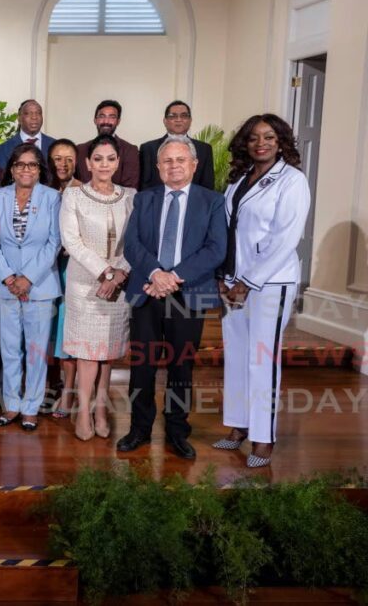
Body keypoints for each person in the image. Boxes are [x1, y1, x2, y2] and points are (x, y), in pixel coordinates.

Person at [118, 138, 226, 459]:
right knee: (142, 367)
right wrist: (155, 273)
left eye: (181, 160)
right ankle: (139, 429)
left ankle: (177, 431)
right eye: (167, 161)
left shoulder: (212, 201)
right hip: (148, 293)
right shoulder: (144, 199)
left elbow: (216, 249)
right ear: (158, 167)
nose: (174, 165)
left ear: (194, 165)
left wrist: (172, 277)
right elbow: (132, 244)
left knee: (181, 368)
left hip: (187, 294)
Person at [215, 114, 310, 468]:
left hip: (270, 283)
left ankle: (263, 438)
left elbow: (286, 238)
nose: (261, 143)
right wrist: (225, 276)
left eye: (269, 137)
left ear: (281, 141)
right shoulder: (239, 178)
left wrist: (247, 281)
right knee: (237, 355)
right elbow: (229, 230)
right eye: (254, 138)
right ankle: (238, 426)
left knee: (261, 359)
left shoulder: (292, 181)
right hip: (233, 283)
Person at [59, 134, 135, 441]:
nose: (104, 165)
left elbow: (137, 241)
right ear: (88, 163)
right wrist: (105, 271)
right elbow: (71, 241)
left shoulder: (131, 195)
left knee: (109, 351)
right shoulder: (73, 196)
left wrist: (118, 274)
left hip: (120, 284)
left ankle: (102, 408)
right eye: (98, 159)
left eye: (111, 159)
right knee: (88, 352)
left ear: (118, 162)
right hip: (84, 284)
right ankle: (83, 409)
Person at [0, 144, 62, 430]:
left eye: (32, 165)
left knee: (35, 349)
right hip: (5, 284)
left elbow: (54, 242)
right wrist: (9, 277)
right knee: (9, 348)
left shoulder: (52, 198)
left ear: (40, 170)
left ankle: (31, 407)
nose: (26, 169)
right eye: (20, 164)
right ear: (11, 168)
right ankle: (12, 405)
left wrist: (27, 278)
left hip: (40, 285)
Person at [46, 139, 82, 420]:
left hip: (72, 270)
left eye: (68, 158)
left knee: (66, 335)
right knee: (47, 334)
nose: (63, 163)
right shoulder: (44, 191)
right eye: (58, 158)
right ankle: (49, 387)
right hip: (45, 271)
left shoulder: (83, 191)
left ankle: (69, 394)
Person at [139, 101, 215, 190]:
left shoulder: (204, 149)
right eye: (173, 116)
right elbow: (145, 184)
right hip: (158, 201)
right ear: (165, 121)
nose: (179, 119)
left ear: (190, 120)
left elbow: (207, 185)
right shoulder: (148, 148)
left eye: (184, 116)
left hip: (194, 202)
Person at [75, 100, 140, 190]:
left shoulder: (130, 150)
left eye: (112, 117)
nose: (106, 121)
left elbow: (130, 189)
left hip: (118, 202)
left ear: (118, 121)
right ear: (95, 120)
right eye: (102, 116)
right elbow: (75, 183)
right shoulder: (80, 149)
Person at [0, 99, 56, 168]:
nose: (34, 117)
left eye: (38, 113)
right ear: (19, 118)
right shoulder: (3, 149)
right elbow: (3, 177)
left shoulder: (54, 146)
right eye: (28, 113)